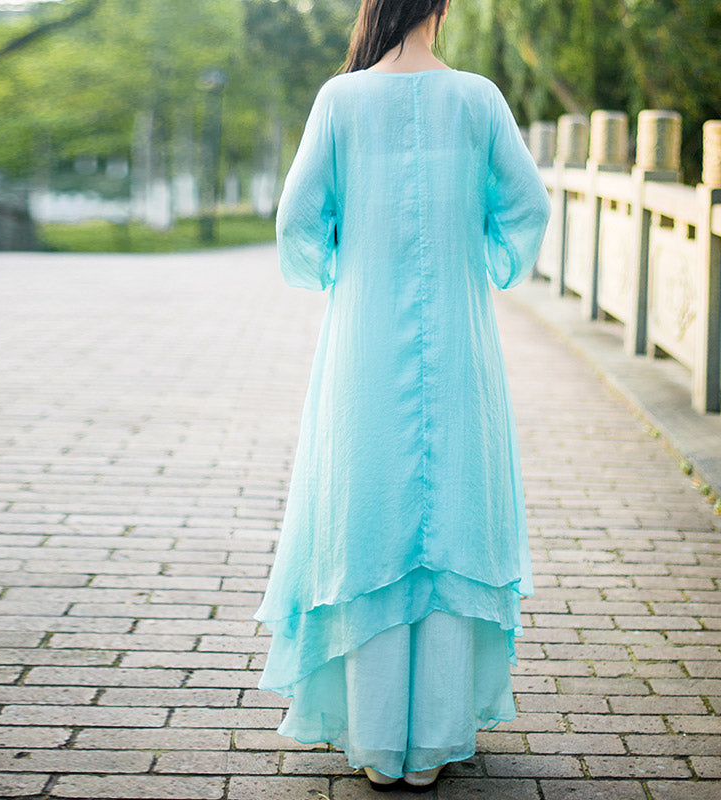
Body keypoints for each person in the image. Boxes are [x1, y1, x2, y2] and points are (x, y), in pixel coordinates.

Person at [253, 0, 551, 791]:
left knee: (369, 508)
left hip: (362, 340)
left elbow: (296, 219)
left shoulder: (339, 99)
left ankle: (381, 741)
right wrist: (480, 255)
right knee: (452, 509)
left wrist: (339, 271)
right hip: (459, 341)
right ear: (442, 6)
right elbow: (528, 205)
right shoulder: (479, 97)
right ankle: (437, 741)